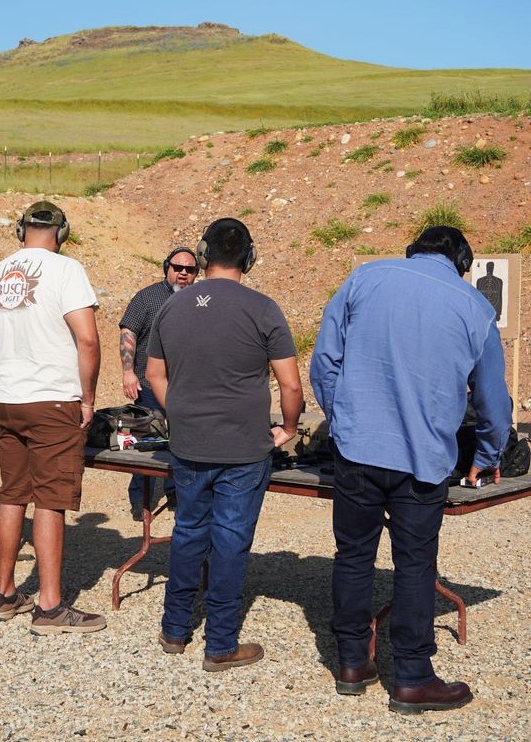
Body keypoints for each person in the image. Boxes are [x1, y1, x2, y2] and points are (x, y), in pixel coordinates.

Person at [310, 226, 511, 714]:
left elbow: (324, 364)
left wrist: (345, 421)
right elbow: (492, 401)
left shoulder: (363, 278)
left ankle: (353, 663)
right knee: (415, 566)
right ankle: (414, 678)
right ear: (463, 263)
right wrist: (486, 455)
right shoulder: (474, 307)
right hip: (424, 460)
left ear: (412, 251)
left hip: (357, 451)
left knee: (353, 557)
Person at [146, 217, 304, 672]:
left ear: (202, 252)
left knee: (189, 531)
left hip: (188, 442)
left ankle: (175, 630)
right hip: (243, 447)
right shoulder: (263, 308)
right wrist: (288, 428)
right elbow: (290, 385)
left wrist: (178, 410)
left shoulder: (170, 309)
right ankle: (220, 644)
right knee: (231, 540)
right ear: (249, 258)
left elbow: (155, 374)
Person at [0, 200, 106, 635]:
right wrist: (87, 397)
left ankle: (6, 594)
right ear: (61, 233)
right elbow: (87, 339)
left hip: (10, 401)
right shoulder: (67, 271)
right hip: (54, 401)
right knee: (50, 499)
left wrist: (4, 376)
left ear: (21, 230)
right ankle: (49, 607)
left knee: (13, 494)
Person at [119, 247, 199, 520]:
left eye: (190, 270)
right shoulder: (148, 298)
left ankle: (177, 494)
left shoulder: (201, 300)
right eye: (178, 268)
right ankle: (139, 501)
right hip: (149, 386)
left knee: (182, 444)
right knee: (147, 445)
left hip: (186, 388)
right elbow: (128, 331)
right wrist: (128, 372)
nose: (183, 273)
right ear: (167, 268)